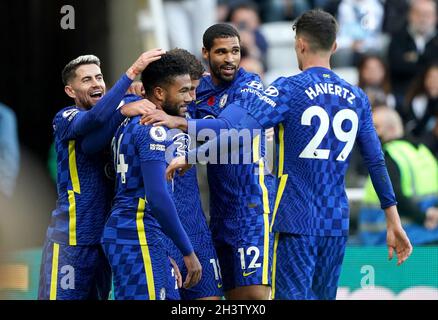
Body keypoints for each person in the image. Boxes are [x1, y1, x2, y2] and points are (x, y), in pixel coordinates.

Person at [167, 9, 413, 300]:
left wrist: (193, 155)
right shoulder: (356, 96)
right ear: (334, 46)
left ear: (300, 44)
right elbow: (375, 160)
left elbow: (241, 131)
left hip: (295, 217)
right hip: (335, 221)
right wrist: (392, 219)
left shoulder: (288, 89)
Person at [143, 24, 275, 300]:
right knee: (231, 294)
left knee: (254, 296)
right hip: (218, 210)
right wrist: (130, 101)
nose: (230, 59)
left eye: (235, 51)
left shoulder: (248, 84)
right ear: (206, 53)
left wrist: (179, 124)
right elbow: (164, 96)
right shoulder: (196, 90)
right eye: (222, 52)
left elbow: (233, 130)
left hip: (251, 206)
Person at [38, 50, 163, 300]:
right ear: (70, 91)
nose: (96, 84)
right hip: (70, 240)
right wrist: (131, 74)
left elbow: (101, 126)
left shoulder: (115, 115)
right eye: (86, 80)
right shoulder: (65, 117)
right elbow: (92, 120)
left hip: (103, 241)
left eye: (99, 77)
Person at [101, 53, 202, 300]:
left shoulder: (127, 120)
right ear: (158, 93)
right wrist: (187, 252)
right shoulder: (151, 127)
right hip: (135, 231)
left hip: (137, 233)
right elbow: (157, 197)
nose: (190, 98)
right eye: (184, 91)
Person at [359, 106, 438, 245]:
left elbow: (393, 195)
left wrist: (424, 217)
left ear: (391, 128)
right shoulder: (424, 151)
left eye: (375, 127)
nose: (370, 132)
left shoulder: (388, 154)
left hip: (385, 240)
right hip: (429, 234)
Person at [387, 0, 438, 108]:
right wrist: (427, 64)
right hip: (403, 93)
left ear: (435, 17)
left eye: (427, 14)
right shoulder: (398, 38)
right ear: (410, 15)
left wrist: (415, 60)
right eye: (418, 13)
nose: (423, 18)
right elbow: (397, 66)